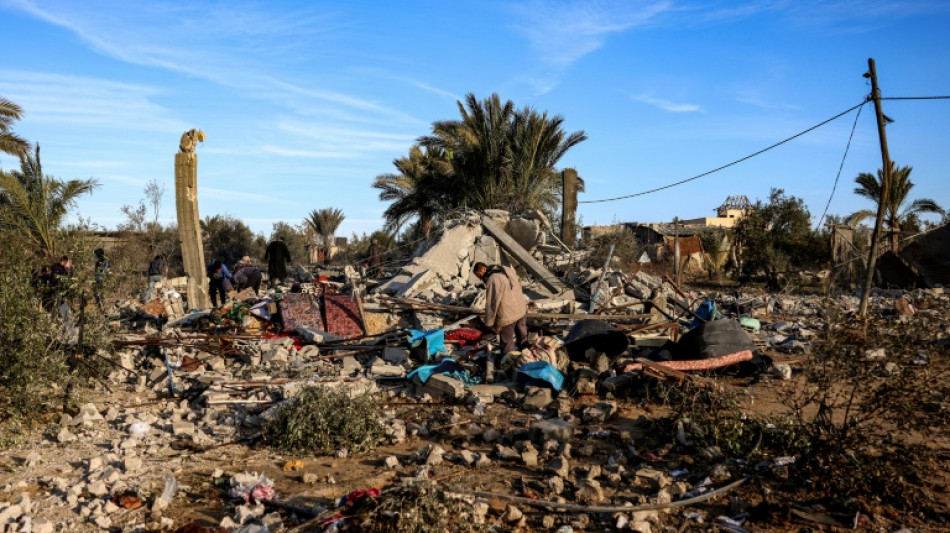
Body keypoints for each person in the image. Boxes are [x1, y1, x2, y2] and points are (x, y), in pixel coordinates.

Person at [473, 261, 528, 355]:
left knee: (507, 344)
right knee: (523, 337)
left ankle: (508, 364)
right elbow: (519, 284)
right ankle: (527, 356)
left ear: (483, 269)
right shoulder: (507, 269)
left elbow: (492, 303)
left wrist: (490, 323)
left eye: (480, 275)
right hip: (521, 309)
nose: (481, 278)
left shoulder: (493, 279)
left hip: (507, 316)